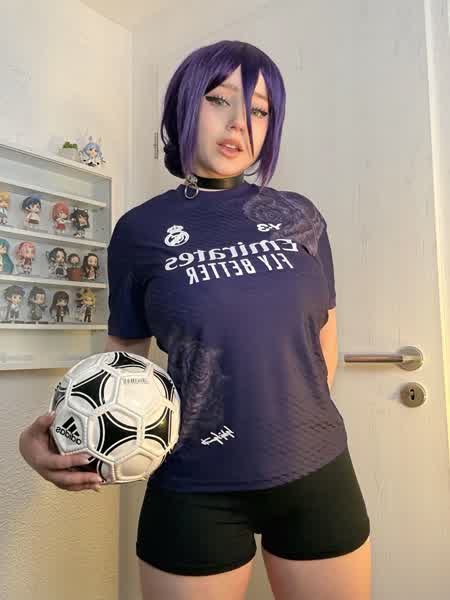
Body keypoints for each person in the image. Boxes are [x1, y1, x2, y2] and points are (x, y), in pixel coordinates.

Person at [19, 40, 372, 599]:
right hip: (193, 484)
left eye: (259, 110)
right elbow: (121, 369)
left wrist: (283, 421)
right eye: (219, 99)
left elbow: (322, 340)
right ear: (185, 104)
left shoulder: (299, 215)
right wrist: (56, 435)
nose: (240, 123)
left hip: (317, 471)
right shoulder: (139, 231)